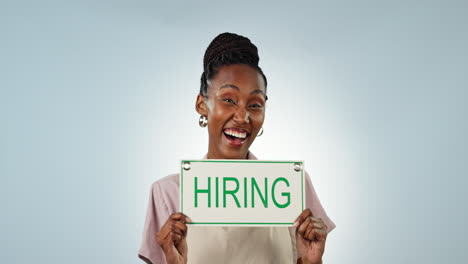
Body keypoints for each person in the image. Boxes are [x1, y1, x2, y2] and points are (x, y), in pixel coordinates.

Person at [138, 32, 335, 264]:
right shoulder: (168, 193)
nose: (242, 117)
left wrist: (312, 263)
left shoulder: (292, 185)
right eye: (229, 100)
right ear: (202, 105)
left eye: (254, 104)